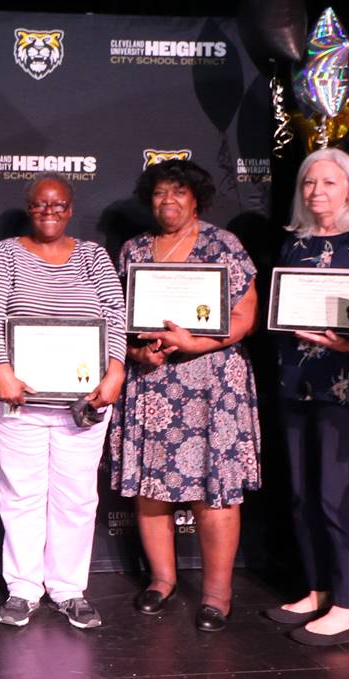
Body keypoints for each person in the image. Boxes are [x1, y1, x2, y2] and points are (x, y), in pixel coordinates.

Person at [112, 159, 262, 633]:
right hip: (154, 383)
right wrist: (139, 354)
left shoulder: (224, 245)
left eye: (178, 192)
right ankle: (162, 580)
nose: (168, 201)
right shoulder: (134, 250)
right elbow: (119, 321)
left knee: (214, 490)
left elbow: (245, 317)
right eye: (159, 193)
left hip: (212, 382)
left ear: (196, 197)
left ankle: (217, 594)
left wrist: (197, 344)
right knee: (152, 487)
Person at [0, 174, 126, 630]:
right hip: (17, 398)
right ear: (29, 207)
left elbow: (115, 312)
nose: (49, 212)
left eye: (58, 205)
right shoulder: (7, 253)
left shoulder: (93, 256)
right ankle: (23, 589)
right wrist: (1, 368)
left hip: (82, 401)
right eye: (41, 205)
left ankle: (67, 589)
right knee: (22, 494)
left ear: (70, 208)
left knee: (76, 497)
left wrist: (116, 369)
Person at [263, 149, 349, 645]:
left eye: (329, 183)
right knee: (300, 493)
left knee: (336, 494)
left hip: (348, 384)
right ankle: (319, 587)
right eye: (308, 184)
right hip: (296, 379)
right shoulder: (294, 244)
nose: (317, 192)